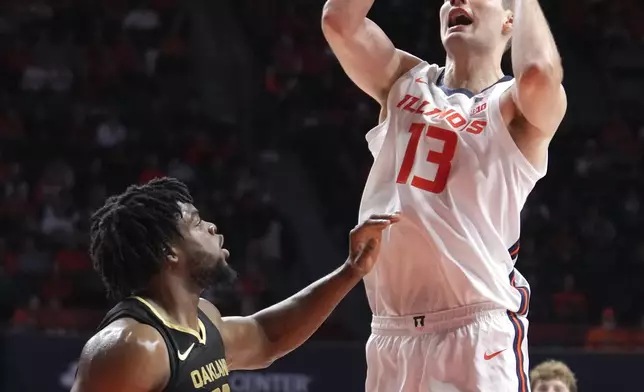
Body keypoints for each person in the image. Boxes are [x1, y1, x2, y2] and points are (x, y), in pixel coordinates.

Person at [321, 0, 566, 390]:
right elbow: (339, 21)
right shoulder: (403, 79)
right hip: (391, 332)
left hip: (474, 328)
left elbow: (539, 72)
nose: (456, 0)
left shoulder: (511, 106)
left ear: (509, 19)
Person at [71, 177, 399, 392]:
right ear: (167, 252)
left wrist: (349, 272)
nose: (213, 227)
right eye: (197, 224)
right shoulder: (134, 345)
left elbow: (267, 337)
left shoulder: (202, 319)